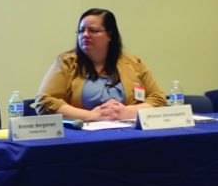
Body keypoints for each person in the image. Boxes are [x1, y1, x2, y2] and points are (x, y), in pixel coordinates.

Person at [35, 8, 166, 120]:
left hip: (128, 132)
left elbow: (158, 99)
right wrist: (90, 116)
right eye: (81, 31)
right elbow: (44, 101)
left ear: (110, 35)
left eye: (93, 30)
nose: (85, 35)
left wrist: (129, 112)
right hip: (82, 135)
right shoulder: (66, 62)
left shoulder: (133, 63)